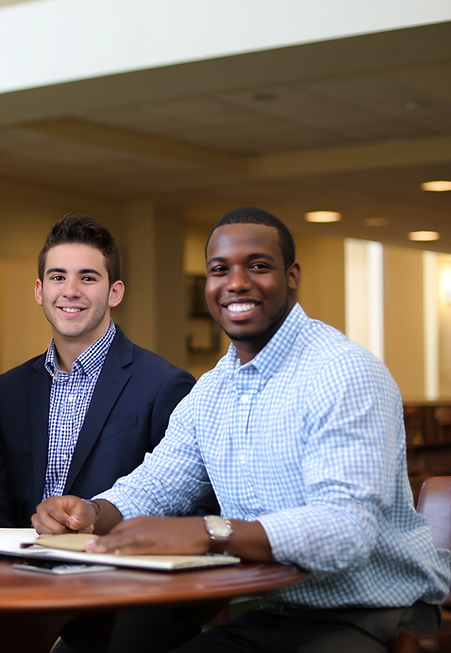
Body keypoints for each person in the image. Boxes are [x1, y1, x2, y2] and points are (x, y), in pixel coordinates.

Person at [34, 207, 451, 653]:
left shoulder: (344, 372)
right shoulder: (214, 388)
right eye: (219, 270)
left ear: (292, 276)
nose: (235, 283)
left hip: (379, 616)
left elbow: (346, 529)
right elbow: (158, 482)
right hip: (276, 615)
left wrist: (208, 531)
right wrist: (92, 513)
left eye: (257, 266)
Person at [0, 212, 212, 653]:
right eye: (58, 277)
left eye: (88, 278)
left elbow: (187, 502)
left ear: (114, 291)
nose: (70, 291)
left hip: (123, 594)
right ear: (40, 291)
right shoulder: (9, 390)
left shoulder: (165, 385)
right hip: (24, 585)